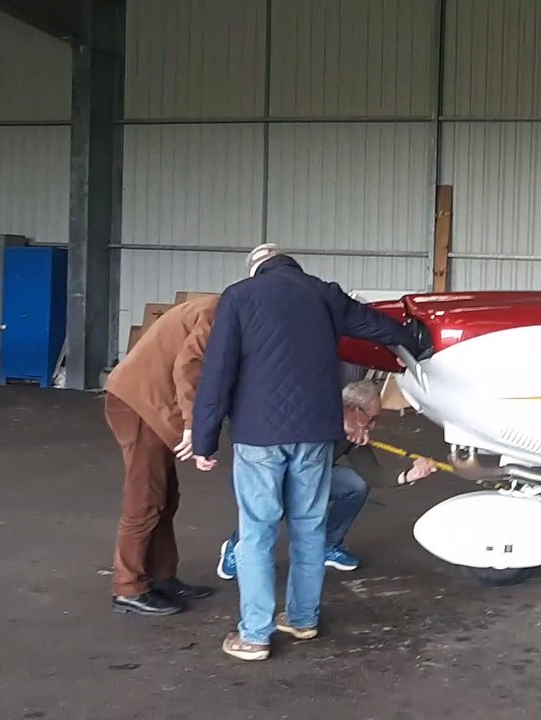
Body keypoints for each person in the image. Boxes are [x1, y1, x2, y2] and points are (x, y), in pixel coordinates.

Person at [189, 243, 429, 662]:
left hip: (259, 434)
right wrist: (418, 345)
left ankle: (255, 635)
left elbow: (218, 372)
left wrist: (204, 440)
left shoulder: (240, 296)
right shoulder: (323, 293)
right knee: (309, 527)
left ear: (256, 270)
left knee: (258, 532)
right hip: (316, 432)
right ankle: (302, 618)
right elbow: (377, 325)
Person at [215, 380, 439, 580]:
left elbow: (373, 475)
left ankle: (328, 545)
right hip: (268, 476)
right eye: (371, 419)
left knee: (356, 485)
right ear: (353, 410)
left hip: (311, 479)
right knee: (272, 506)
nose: (372, 426)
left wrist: (409, 474)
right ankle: (236, 546)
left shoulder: (353, 433)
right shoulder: (313, 416)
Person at [103, 294, 221, 617]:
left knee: (166, 496)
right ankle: (127, 588)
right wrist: (193, 428)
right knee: (145, 497)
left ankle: (161, 575)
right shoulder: (217, 315)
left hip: (154, 402)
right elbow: (189, 369)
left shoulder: (222, 309)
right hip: (140, 402)